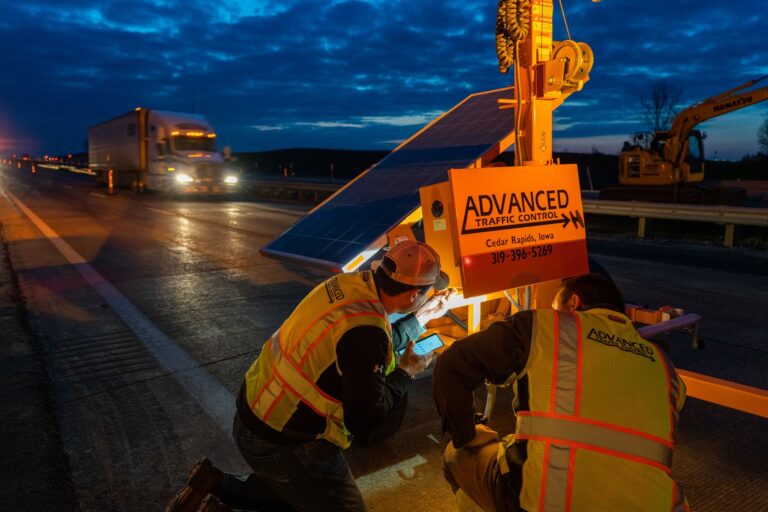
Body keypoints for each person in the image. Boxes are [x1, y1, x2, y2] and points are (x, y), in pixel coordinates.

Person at [167, 239, 455, 512]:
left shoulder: (347, 285)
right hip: (286, 438)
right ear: (414, 294)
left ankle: (213, 483)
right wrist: (407, 372)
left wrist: (421, 318)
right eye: (429, 290)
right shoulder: (367, 332)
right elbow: (366, 421)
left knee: (300, 489)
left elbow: (361, 349)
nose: (430, 295)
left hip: (256, 414)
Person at [433, 273, 689, 512]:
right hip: (660, 504)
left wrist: (466, 435)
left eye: (556, 307)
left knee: (456, 456)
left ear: (573, 303)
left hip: (548, 503)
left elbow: (451, 365)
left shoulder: (544, 325)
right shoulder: (664, 365)